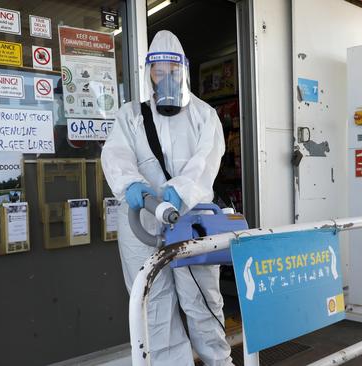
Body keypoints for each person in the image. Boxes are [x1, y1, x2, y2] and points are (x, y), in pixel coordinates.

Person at [101, 30, 231, 366]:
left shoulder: (204, 115)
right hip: (142, 223)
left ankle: (218, 361)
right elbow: (116, 156)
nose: (166, 78)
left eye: (172, 71)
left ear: (183, 71)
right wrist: (132, 186)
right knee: (153, 304)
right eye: (158, 71)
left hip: (191, 219)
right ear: (149, 73)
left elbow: (207, 159)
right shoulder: (130, 116)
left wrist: (182, 189)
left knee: (202, 300)